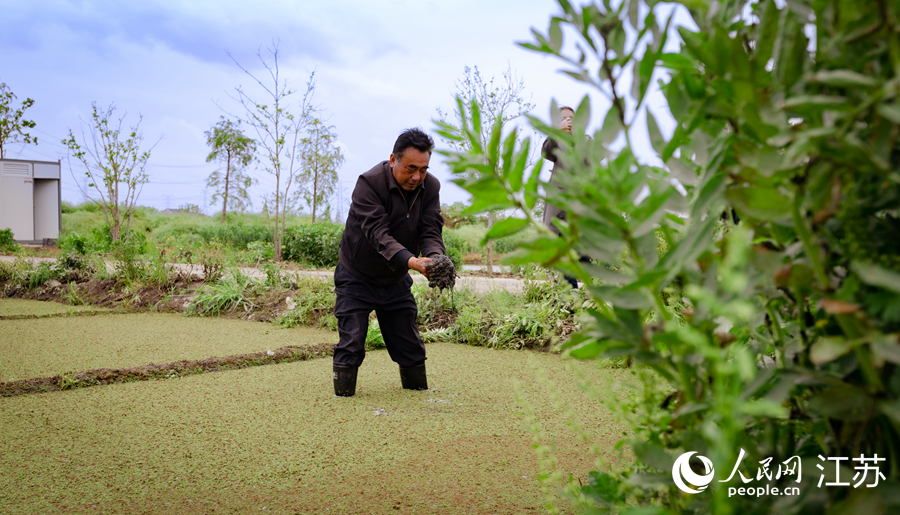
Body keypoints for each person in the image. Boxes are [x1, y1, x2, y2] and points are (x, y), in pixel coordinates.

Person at [331, 128, 446, 397]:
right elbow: (378, 235)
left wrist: (436, 259)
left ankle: (417, 394)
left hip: (395, 278)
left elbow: (430, 229)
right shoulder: (369, 183)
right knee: (351, 345)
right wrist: (413, 262)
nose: (417, 177)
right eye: (410, 168)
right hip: (357, 274)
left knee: (410, 347)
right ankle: (343, 400)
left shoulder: (431, 187)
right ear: (393, 159)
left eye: (423, 169)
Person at [541, 106, 588, 288]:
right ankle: (568, 290)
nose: (568, 121)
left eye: (571, 118)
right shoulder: (555, 142)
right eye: (563, 118)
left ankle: (563, 283)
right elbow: (546, 152)